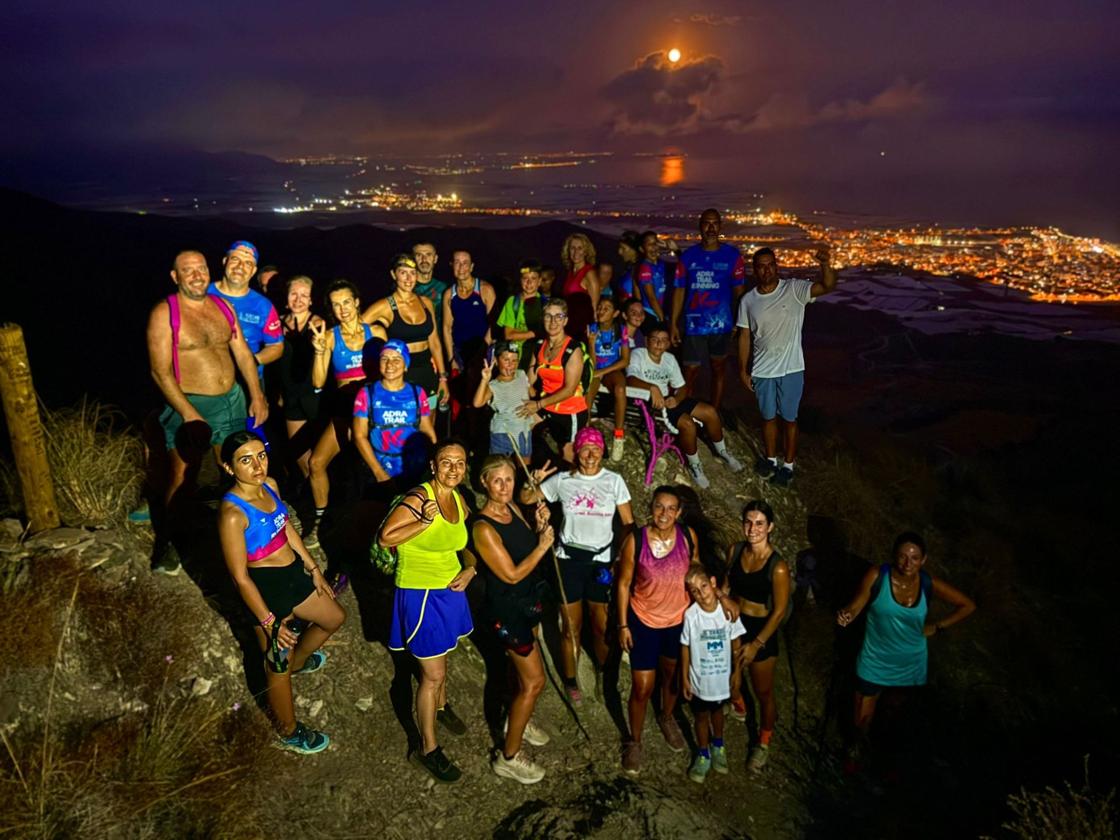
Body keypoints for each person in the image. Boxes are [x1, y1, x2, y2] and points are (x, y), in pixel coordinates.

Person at [218, 431, 346, 754]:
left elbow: (285, 527)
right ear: (230, 468)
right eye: (245, 460)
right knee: (277, 662)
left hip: (293, 575)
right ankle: (288, 731)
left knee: (334, 617)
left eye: (261, 455)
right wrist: (269, 621)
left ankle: (300, 661)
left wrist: (313, 568)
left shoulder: (271, 486)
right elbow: (238, 577)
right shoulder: (232, 515)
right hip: (266, 588)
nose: (257, 465)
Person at [147, 250, 269, 573]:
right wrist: (188, 413)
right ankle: (169, 543)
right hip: (191, 403)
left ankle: (241, 533)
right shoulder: (164, 314)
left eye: (201, 268)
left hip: (232, 399)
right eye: (188, 270)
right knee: (182, 476)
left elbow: (242, 352)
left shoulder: (222, 307)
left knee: (234, 466)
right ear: (176, 277)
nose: (197, 274)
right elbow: (160, 372)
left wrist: (257, 395)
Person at [616, 486, 736, 775]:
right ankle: (634, 741)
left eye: (671, 509)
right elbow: (622, 584)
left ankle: (667, 716)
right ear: (651, 507)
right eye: (659, 507)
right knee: (642, 687)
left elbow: (696, 569)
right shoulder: (635, 540)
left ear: (679, 513)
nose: (664, 514)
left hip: (678, 622)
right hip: (643, 621)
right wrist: (622, 624)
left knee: (670, 677)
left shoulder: (686, 536)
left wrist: (718, 595)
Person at [379, 439, 477, 783]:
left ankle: (439, 706)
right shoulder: (419, 498)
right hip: (420, 595)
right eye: (446, 463)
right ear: (433, 466)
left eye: (460, 463)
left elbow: (464, 547)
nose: (454, 469)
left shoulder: (459, 500)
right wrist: (421, 522)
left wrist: (471, 568)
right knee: (432, 675)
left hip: (449, 591)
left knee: (445, 656)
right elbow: (386, 537)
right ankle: (427, 749)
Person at [837, 531, 976, 768]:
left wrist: (936, 627)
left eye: (914, 558)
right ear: (893, 556)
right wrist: (847, 614)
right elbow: (858, 603)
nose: (907, 563)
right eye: (902, 557)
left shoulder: (927, 583)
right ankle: (853, 760)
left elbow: (967, 605)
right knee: (861, 719)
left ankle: (885, 766)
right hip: (874, 658)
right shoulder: (877, 576)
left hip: (909, 663)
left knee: (894, 718)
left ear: (923, 560)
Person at [519, 427, 633, 704]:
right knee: (571, 627)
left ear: (603, 451)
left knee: (600, 625)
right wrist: (532, 483)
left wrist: (623, 559)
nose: (591, 454)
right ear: (577, 452)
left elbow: (629, 525)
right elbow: (526, 499)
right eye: (585, 449)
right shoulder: (563, 481)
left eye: (596, 448)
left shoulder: (614, 481)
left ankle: (607, 676)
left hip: (600, 562)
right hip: (568, 561)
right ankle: (571, 681)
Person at [472, 455, 555, 784]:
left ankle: (516, 720)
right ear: (484, 483)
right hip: (507, 610)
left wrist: (539, 526)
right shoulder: (483, 527)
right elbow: (510, 574)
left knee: (518, 675)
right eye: (498, 481)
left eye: (509, 479)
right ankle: (508, 756)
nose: (505, 487)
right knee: (535, 683)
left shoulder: (512, 509)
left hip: (527, 602)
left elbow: (525, 540)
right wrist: (544, 546)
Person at [737, 246, 837, 486]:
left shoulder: (793, 289)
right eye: (761, 265)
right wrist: (743, 370)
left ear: (776, 266)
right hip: (762, 369)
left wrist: (825, 264)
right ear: (755, 269)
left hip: (791, 368)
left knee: (790, 419)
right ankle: (771, 459)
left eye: (770, 264)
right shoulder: (748, 300)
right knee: (768, 418)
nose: (767, 269)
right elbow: (744, 336)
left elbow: (827, 286)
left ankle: (788, 465)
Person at [626, 322, 744, 489]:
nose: (659, 344)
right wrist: (652, 388)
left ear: (668, 343)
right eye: (655, 340)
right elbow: (630, 379)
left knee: (710, 412)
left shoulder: (669, 359)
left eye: (664, 340)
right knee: (687, 424)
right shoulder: (638, 354)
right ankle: (696, 467)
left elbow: (681, 387)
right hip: (651, 403)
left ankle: (722, 452)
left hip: (669, 400)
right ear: (646, 341)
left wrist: (677, 399)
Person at [723, 500, 791, 773]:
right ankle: (739, 706)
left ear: (770, 527)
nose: (752, 529)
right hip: (735, 623)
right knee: (731, 679)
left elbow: (779, 612)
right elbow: (727, 585)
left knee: (763, 692)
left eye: (759, 523)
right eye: (748, 522)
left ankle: (763, 741)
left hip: (761, 628)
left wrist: (757, 644)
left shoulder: (777, 566)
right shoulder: (735, 550)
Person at [306, 279, 374, 547]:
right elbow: (317, 382)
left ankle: (369, 521)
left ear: (357, 302)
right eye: (336, 305)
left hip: (369, 412)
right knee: (316, 463)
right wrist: (319, 351)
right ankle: (321, 520)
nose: (343, 309)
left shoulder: (376, 332)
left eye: (347, 301)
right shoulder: (330, 337)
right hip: (344, 409)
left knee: (363, 468)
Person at [669, 209, 745, 415]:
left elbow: (740, 293)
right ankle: (683, 413)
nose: (711, 228)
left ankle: (714, 412)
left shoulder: (732, 256)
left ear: (720, 226)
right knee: (690, 371)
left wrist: (741, 322)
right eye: (706, 223)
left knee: (718, 368)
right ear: (700, 226)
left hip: (722, 323)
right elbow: (679, 290)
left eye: (715, 224)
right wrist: (674, 323)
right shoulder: (688, 257)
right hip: (693, 323)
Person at [681, 564, 745, 783]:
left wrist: (737, 673)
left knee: (717, 712)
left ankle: (718, 745)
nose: (701, 594)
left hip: (721, 679)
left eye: (704, 586)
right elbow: (686, 646)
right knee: (700, 716)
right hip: (700, 679)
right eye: (695, 591)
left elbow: (737, 644)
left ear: (714, 583)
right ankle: (703, 753)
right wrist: (684, 678)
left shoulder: (727, 612)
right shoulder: (691, 615)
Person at [362, 254, 450, 412]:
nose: (409, 278)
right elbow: (356, 328)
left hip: (427, 372)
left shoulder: (426, 302)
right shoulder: (384, 306)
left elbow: (435, 342)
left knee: (428, 425)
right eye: (403, 272)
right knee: (403, 424)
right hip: (399, 373)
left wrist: (442, 377)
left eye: (413, 273)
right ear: (393, 274)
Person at [353, 340, 437, 490]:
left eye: (397, 359)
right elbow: (359, 436)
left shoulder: (417, 393)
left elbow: (427, 431)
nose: (390, 364)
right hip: (380, 468)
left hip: (414, 467)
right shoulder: (367, 394)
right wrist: (379, 472)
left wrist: (434, 464)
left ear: (406, 365)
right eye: (384, 359)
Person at [209, 241, 285, 381]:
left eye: (248, 263)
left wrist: (251, 362)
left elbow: (276, 346)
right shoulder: (203, 295)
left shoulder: (264, 306)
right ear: (225, 261)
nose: (240, 266)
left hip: (247, 382)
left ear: (253, 271)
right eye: (235, 259)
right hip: (205, 380)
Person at [525, 298, 588, 465]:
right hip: (546, 405)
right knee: (521, 429)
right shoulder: (539, 345)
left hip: (570, 409)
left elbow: (569, 389)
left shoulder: (573, 349)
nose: (553, 321)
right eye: (548, 316)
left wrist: (538, 404)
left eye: (558, 316)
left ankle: (571, 485)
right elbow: (528, 379)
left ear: (565, 320)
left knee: (568, 455)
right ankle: (528, 473)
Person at [442, 250, 495, 447]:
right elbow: (447, 328)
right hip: (460, 352)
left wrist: (483, 351)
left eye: (465, 263)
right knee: (460, 399)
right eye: (457, 262)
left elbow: (493, 324)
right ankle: (462, 442)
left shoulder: (485, 289)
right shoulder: (450, 294)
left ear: (472, 266)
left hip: (480, 352)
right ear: (451, 266)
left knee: (479, 399)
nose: (461, 267)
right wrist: (451, 358)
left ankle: (480, 442)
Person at [278, 275, 324, 482]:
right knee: (298, 454)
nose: (298, 300)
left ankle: (326, 502)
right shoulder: (277, 324)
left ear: (311, 300)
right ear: (286, 297)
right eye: (293, 294)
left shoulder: (318, 323)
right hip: (290, 397)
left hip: (314, 398)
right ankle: (311, 493)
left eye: (304, 295)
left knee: (320, 457)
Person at [473, 341, 538, 458]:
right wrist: (484, 380)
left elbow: (532, 393)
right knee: (500, 465)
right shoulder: (494, 385)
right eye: (506, 360)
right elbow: (477, 403)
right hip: (502, 433)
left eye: (514, 361)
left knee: (524, 466)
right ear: (496, 361)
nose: (510, 365)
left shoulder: (522, 375)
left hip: (523, 431)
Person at [585, 296, 630, 462]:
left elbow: (625, 360)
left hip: (612, 369)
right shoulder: (591, 328)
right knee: (587, 393)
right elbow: (591, 362)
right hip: (595, 368)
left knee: (620, 388)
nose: (601, 311)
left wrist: (603, 371)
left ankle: (618, 436)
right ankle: (587, 437)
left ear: (615, 313)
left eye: (606, 308)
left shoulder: (621, 329)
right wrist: (591, 343)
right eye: (600, 307)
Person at [496, 260, 548, 369]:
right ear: (520, 280)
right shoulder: (512, 302)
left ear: (539, 281)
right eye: (525, 278)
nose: (529, 283)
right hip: (515, 359)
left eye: (533, 279)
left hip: (538, 358)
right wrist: (536, 333)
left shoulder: (546, 304)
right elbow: (509, 334)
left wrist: (520, 333)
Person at [559, 233, 600, 341]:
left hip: (581, 328)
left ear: (586, 251)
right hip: (568, 324)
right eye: (572, 248)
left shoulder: (589, 273)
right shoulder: (570, 273)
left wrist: (592, 329)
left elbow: (595, 306)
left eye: (580, 248)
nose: (576, 252)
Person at [636, 231, 676, 321]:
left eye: (655, 243)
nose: (653, 246)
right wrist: (662, 319)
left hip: (663, 311)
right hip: (652, 313)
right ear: (642, 249)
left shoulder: (661, 264)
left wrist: (674, 249)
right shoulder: (645, 268)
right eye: (649, 244)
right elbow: (651, 297)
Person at [411, 242, 449, 334]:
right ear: (412, 259)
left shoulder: (444, 288)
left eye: (428, 254)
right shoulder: (405, 287)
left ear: (435, 259)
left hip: (439, 343)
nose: (424, 259)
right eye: (419, 255)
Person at [615, 231, 644, 301]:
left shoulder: (640, 269)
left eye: (623, 248)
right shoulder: (629, 267)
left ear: (634, 250)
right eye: (619, 247)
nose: (619, 251)